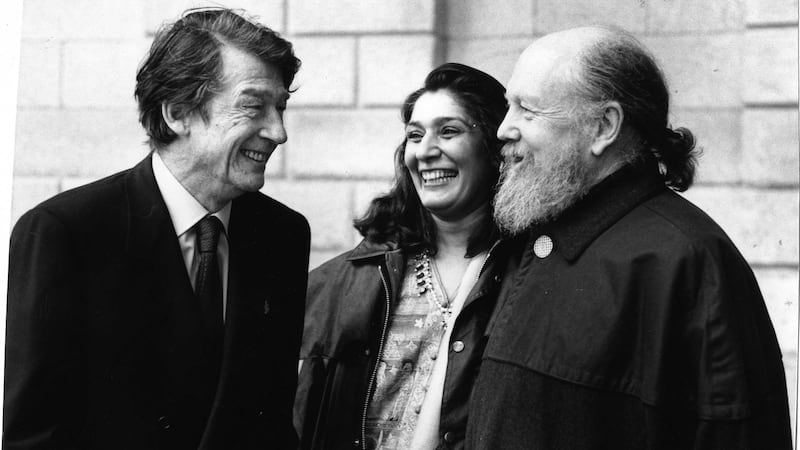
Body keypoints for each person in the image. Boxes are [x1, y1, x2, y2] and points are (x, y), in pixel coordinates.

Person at [464, 25, 792, 449]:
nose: (503, 129)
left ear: (604, 126)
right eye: (509, 108)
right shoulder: (528, 238)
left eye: (528, 111)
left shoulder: (690, 258)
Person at [5, 8, 309, 449]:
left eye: (280, 108)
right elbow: (34, 435)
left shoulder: (283, 235)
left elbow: (273, 422)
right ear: (177, 113)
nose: (278, 132)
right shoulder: (64, 234)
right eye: (253, 106)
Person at [294, 63, 508, 450]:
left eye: (449, 131)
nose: (426, 151)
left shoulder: (524, 273)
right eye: (414, 135)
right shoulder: (345, 281)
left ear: (493, 148)